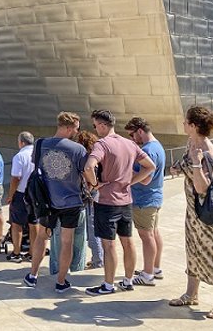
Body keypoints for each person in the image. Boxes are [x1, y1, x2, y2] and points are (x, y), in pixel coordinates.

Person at [84, 109, 156, 296]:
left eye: (95, 125)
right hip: (126, 200)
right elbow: (151, 166)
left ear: (102, 125)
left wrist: (94, 184)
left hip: (107, 201)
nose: (95, 129)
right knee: (128, 242)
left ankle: (108, 285)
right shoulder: (129, 143)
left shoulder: (102, 144)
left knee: (109, 245)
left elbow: (89, 166)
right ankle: (128, 280)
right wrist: (131, 181)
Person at [23, 112, 87, 293]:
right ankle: (61, 281)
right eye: (76, 128)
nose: (77, 131)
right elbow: (85, 170)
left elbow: (36, 165)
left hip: (47, 200)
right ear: (68, 127)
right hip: (71, 201)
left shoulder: (40, 144)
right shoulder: (78, 149)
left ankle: (33, 275)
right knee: (67, 241)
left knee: (42, 237)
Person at [168, 106, 213, 317]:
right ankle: (191, 294)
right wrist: (177, 167)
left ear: (194, 125)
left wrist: (196, 163)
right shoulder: (191, 144)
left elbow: (203, 188)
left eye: (186, 121)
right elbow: (185, 164)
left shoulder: (206, 151)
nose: (183, 124)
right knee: (192, 252)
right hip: (192, 213)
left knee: (210, 255)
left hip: (206, 216)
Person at [124, 116, 166, 286]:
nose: (132, 139)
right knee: (154, 233)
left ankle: (147, 274)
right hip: (155, 197)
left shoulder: (148, 150)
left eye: (132, 135)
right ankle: (155, 268)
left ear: (140, 131)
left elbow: (146, 179)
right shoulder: (158, 146)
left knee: (146, 236)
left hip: (144, 199)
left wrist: (127, 177)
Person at [6, 131, 38, 262]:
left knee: (17, 224)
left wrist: (10, 195)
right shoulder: (38, 154)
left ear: (21, 142)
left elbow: (16, 178)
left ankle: (17, 252)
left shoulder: (20, 156)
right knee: (34, 223)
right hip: (36, 193)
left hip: (21, 193)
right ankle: (32, 252)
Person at [76, 130, 103, 270]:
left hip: (90, 195)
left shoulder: (87, 159)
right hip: (97, 193)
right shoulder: (97, 156)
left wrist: (92, 184)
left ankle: (98, 260)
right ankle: (97, 258)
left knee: (92, 228)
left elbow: (88, 173)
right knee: (94, 227)